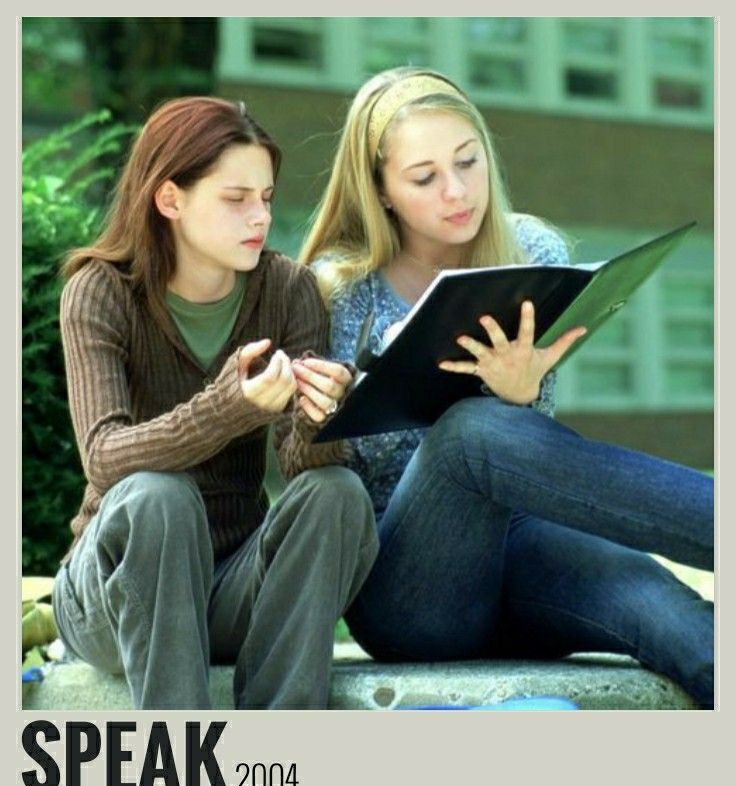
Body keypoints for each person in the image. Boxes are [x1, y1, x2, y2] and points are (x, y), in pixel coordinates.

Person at [298, 67, 714, 708]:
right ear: (380, 190)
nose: (457, 191)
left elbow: (542, 464)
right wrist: (312, 413)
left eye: (469, 162)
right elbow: (302, 469)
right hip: (406, 590)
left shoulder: (531, 245)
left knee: (663, 608)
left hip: (525, 547)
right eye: (424, 178)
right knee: (469, 432)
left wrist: (525, 396)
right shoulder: (338, 287)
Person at [52, 96, 378, 709]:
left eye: (267, 197)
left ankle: (283, 758)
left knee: (337, 492)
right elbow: (104, 458)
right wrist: (226, 408)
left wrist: (321, 415)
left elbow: (307, 465)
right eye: (236, 199)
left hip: (230, 590)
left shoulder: (287, 288)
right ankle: (184, 767)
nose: (259, 217)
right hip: (112, 597)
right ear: (170, 199)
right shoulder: (99, 291)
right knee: (159, 495)